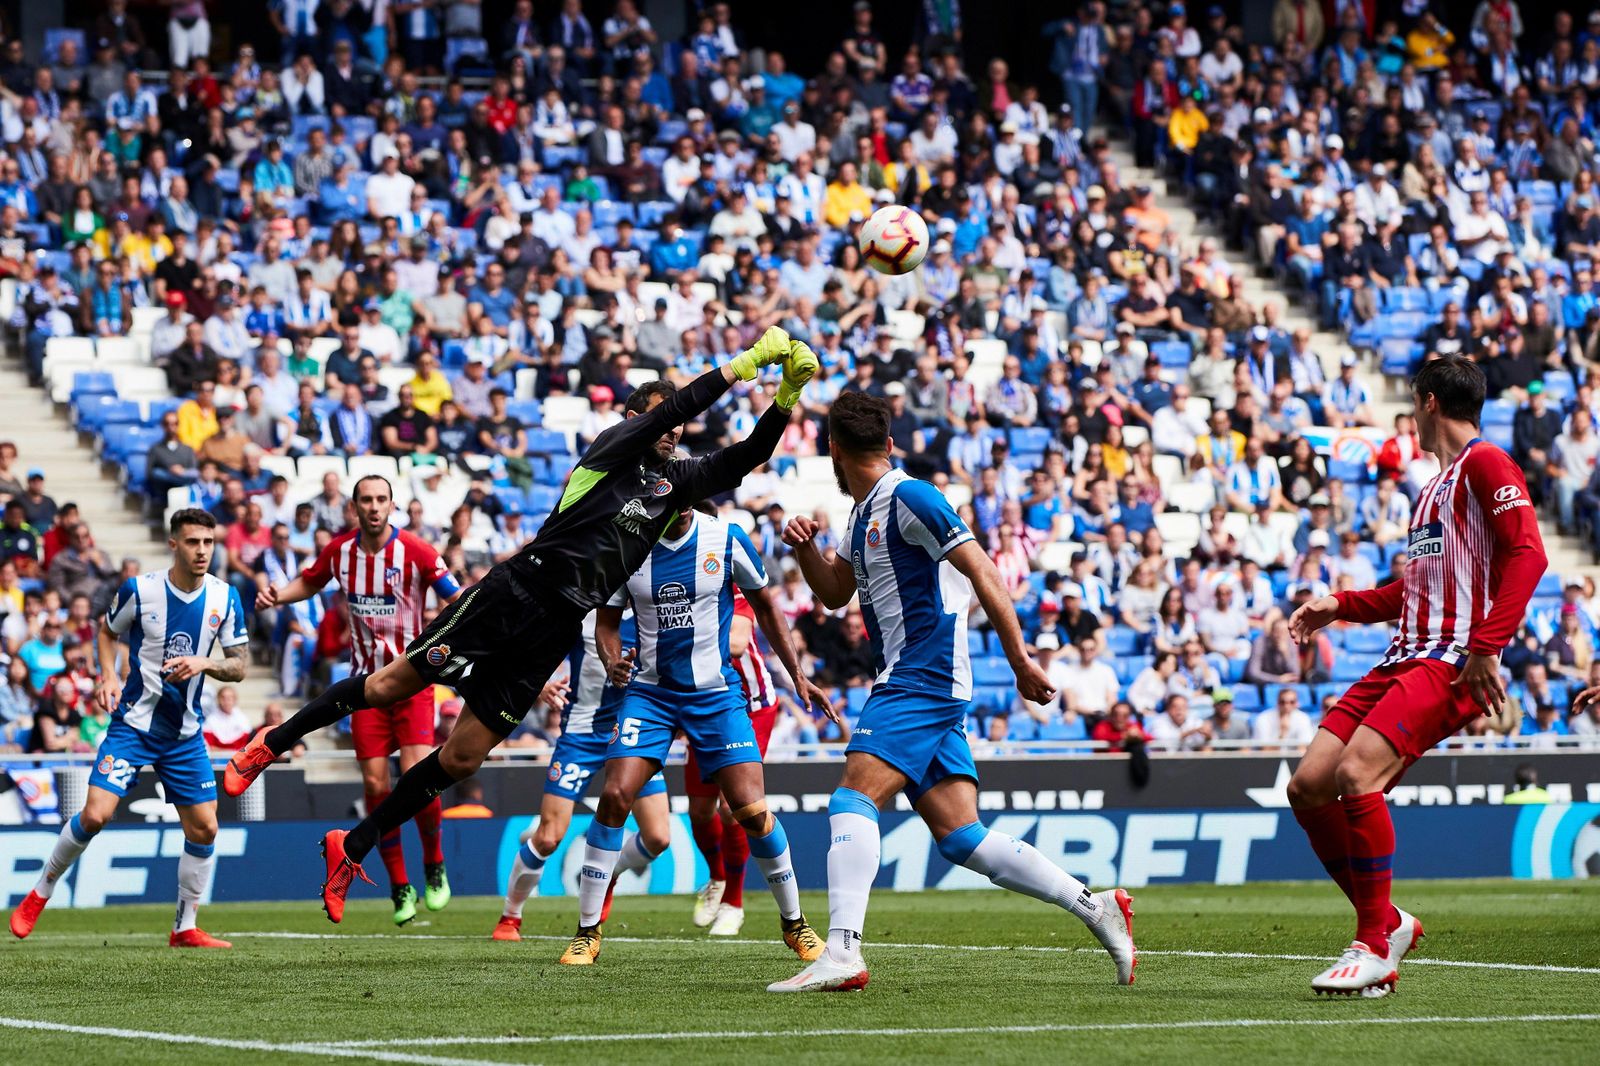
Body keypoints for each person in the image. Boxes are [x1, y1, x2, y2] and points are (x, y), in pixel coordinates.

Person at [224, 328, 815, 923]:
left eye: (679, 426)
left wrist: (786, 393)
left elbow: (748, 455)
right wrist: (745, 363)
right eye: (664, 419)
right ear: (634, 419)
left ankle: (351, 846)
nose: (674, 430)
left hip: (554, 631)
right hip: (513, 595)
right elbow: (678, 406)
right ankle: (270, 744)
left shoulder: (674, 484)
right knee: (385, 687)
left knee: (462, 759)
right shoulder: (609, 452)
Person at [769, 391, 1135, 993]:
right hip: (918, 679)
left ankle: (842, 952)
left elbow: (983, 568)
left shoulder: (912, 496)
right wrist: (806, 548)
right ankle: (1096, 907)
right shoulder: (861, 515)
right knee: (963, 837)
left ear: (832, 449)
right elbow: (834, 593)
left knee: (852, 798)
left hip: (924, 674)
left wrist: (1019, 661)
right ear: (887, 443)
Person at [1287, 358, 1547, 996]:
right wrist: (1342, 605)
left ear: (1428, 402)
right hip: (1402, 656)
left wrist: (1487, 646)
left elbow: (1529, 553)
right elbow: (1420, 589)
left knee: (1357, 774)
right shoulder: (1432, 488)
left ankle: (1373, 945)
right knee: (1309, 786)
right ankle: (1389, 921)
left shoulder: (1487, 464)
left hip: (1451, 660)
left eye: (1412, 401)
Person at [557, 503, 832, 966]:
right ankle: (587, 932)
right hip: (651, 695)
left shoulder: (727, 538)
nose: (682, 503)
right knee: (616, 795)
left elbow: (766, 607)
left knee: (750, 809)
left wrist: (798, 675)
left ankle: (795, 924)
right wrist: (611, 660)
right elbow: (606, 622)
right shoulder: (628, 547)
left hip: (715, 694)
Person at [9, 510, 248, 947]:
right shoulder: (140, 590)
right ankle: (40, 892)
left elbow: (239, 665)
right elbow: (107, 633)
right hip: (134, 726)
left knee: (205, 829)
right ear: (173, 544)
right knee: (95, 815)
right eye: (192, 542)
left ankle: (185, 927)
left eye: (208, 542)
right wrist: (108, 676)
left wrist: (206, 662)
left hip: (184, 735)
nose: (202, 551)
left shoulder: (224, 596)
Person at [254, 476, 463, 926]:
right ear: (354, 507)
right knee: (375, 787)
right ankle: (400, 886)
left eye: (381, 499)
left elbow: (458, 599)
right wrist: (277, 596)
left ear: (392, 505)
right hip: (364, 689)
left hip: (413, 685)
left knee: (418, 776)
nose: (373, 506)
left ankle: (434, 861)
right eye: (366, 500)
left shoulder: (418, 552)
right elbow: (309, 582)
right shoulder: (340, 552)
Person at [492, 611, 671, 941]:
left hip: (633, 733)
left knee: (658, 837)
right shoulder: (582, 612)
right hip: (582, 734)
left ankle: (611, 871)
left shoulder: (650, 606)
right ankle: (510, 917)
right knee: (548, 838)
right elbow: (527, 649)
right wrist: (540, 685)